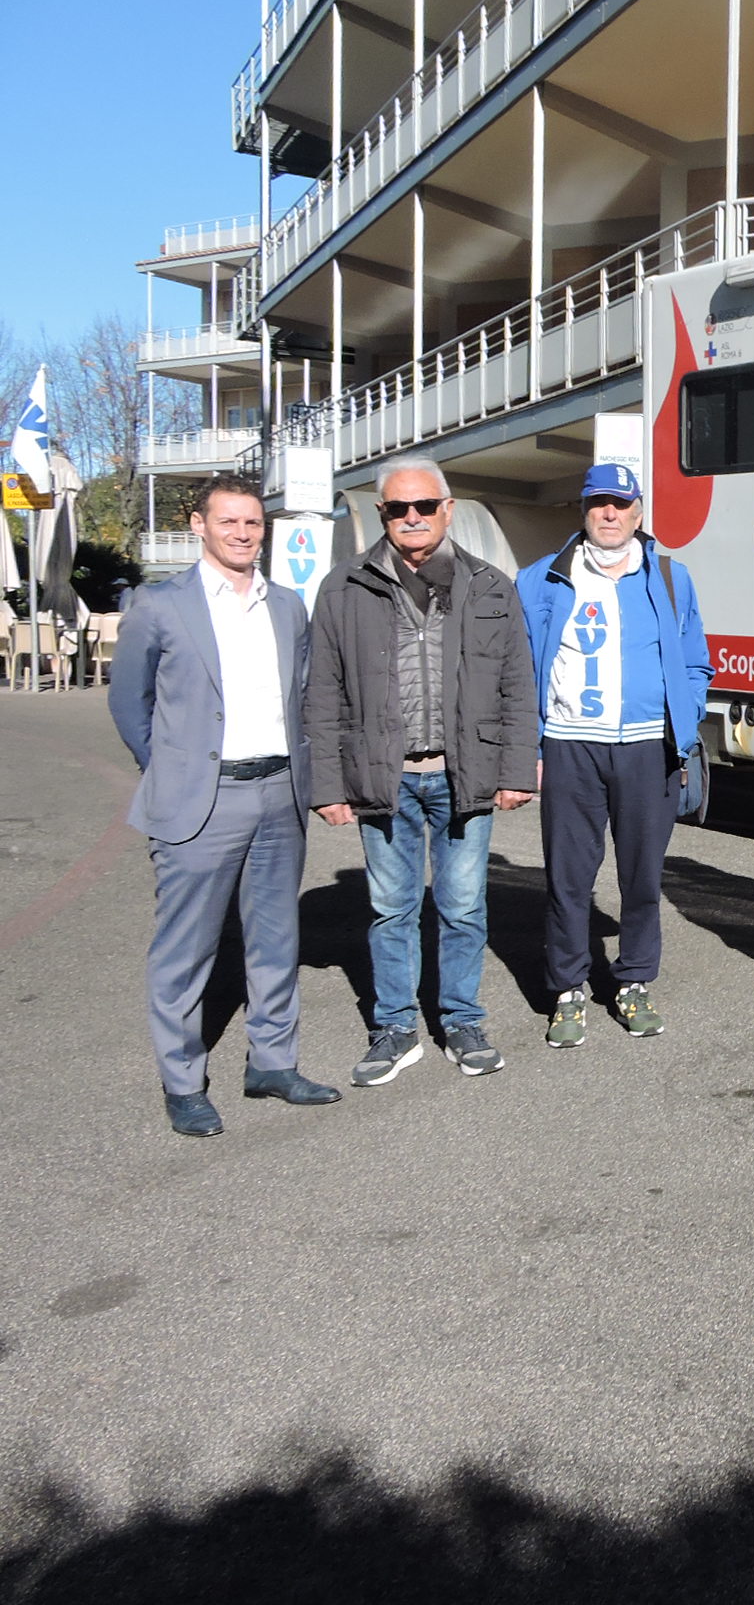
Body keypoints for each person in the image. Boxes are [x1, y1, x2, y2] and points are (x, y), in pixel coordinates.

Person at [108, 473, 340, 1137]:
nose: (242, 534)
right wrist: (170, 771)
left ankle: (273, 1063)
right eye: (229, 522)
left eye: (253, 523)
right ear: (200, 525)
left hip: (277, 794)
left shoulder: (287, 605)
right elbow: (130, 705)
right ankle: (182, 1082)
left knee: (275, 939)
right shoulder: (159, 605)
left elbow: (300, 696)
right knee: (186, 949)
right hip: (199, 801)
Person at [305, 455, 539, 1085]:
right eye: (397, 509)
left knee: (463, 907)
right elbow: (322, 692)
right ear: (381, 514)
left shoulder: (490, 585)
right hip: (384, 778)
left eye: (424, 506)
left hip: (466, 776)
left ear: (448, 509)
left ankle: (462, 1019)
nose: (412, 518)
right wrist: (327, 783)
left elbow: (519, 684)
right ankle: (396, 1026)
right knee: (391, 908)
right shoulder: (344, 587)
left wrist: (518, 767)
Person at [516, 462, 713, 1048]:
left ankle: (632, 981)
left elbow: (697, 660)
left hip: (648, 747)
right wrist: (532, 744)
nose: (610, 513)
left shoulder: (673, 577)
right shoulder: (540, 578)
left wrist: (687, 717)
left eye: (621, 504)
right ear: (583, 509)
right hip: (572, 745)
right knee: (569, 879)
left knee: (642, 878)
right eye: (599, 502)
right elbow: (520, 669)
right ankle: (568, 989)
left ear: (638, 513)